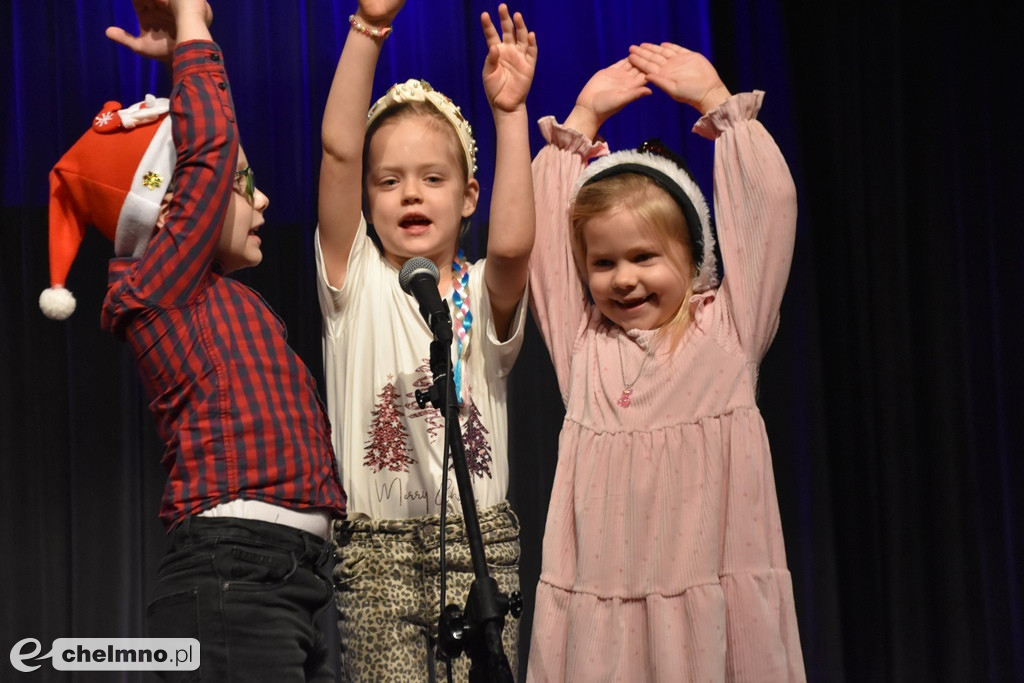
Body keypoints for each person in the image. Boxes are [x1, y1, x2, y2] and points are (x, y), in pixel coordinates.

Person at [39, 0, 347, 679]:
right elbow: (207, 146)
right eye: (242, 185)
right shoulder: (158, 283)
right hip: (233, 575)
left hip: (292, 580)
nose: (262, 201)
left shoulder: (223, 297)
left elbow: (205, 154)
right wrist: (189, 23)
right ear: (174, 203)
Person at [525, 43, 806, 681]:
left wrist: (716, 104)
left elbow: (770, 210)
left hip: (713, 617)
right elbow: (542, 238)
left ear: (694, 256)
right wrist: (584, 114)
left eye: (645, 257)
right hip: (610, 628)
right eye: (603, 263)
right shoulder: (584, 344)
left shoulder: (728, 332)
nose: (623, 280)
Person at [314, 0, 536, 679]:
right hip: (378, 554)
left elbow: (514, 245)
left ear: (469, 194)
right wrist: (368, 29)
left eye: (432, 179)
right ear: (367, 198)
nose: (410, 193)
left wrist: (510, 115)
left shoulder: (477, 294)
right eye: (389, 181)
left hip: (483, 548)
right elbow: (339, 148)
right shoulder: (355, 279)